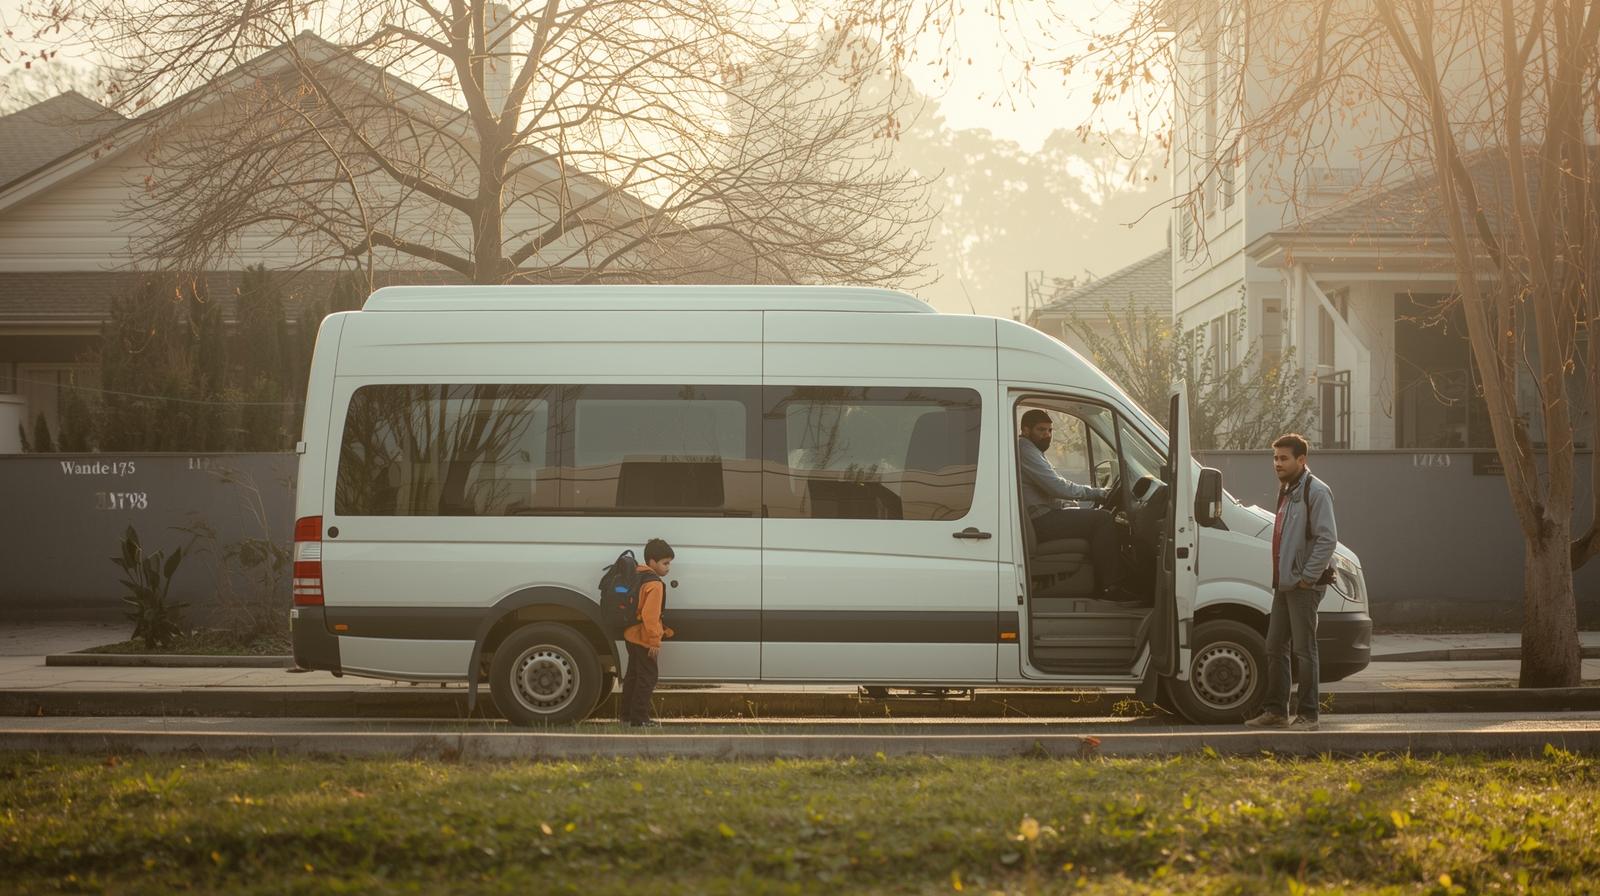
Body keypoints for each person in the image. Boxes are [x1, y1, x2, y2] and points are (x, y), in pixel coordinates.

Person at [1246, 433, 1338, 732]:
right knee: (1274, 647)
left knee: (1304, 650)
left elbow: (1327, 539)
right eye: (1275, 458)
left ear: (1302, 460)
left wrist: (1306, 578)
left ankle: (1309, 715)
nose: (1277, 463)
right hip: (1285, 584)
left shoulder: (1316, 491)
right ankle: (1276, 712)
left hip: (1302, 587)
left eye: (1283, 458)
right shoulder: (1288, 490)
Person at [1016, 409, 1124, 597]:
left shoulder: (1031, 449)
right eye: (1041, 430)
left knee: (1094, 518)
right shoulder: (1025, 449)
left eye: (1050, 430)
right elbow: (1057, 486)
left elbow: (1051, 487)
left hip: (1043, 517)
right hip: (1041, 522)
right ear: (1025, 430)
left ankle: (1099, 584)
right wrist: (1098, 494)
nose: (1047, 435)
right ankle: (1111, 587)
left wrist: (1068, 504)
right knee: (1103, 519)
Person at [620, 538, 675, 728]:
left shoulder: (637, 575)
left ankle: (626, 717)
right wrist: (654, 641)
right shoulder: (655, 584)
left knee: (633, 676)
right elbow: (650, 615)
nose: (668, 568)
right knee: (647, 677)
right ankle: (640, 719)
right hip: (644, 638)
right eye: (665, 563)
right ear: (652, 562)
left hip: (631, 634)